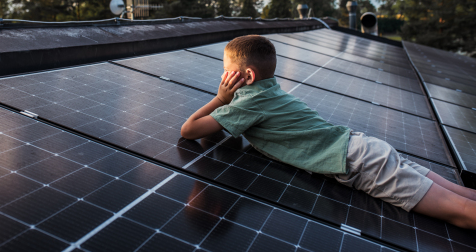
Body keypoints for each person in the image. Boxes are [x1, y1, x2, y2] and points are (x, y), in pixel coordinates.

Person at [180, 35, 476, 229]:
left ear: (247, 76)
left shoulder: (247, 104)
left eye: (226, 70)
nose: (223, 76)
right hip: (363, 148)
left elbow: (190, 130)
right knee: (463, 194)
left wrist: (221, 98)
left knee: (461, 211)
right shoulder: (270, 91)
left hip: (361, 165)